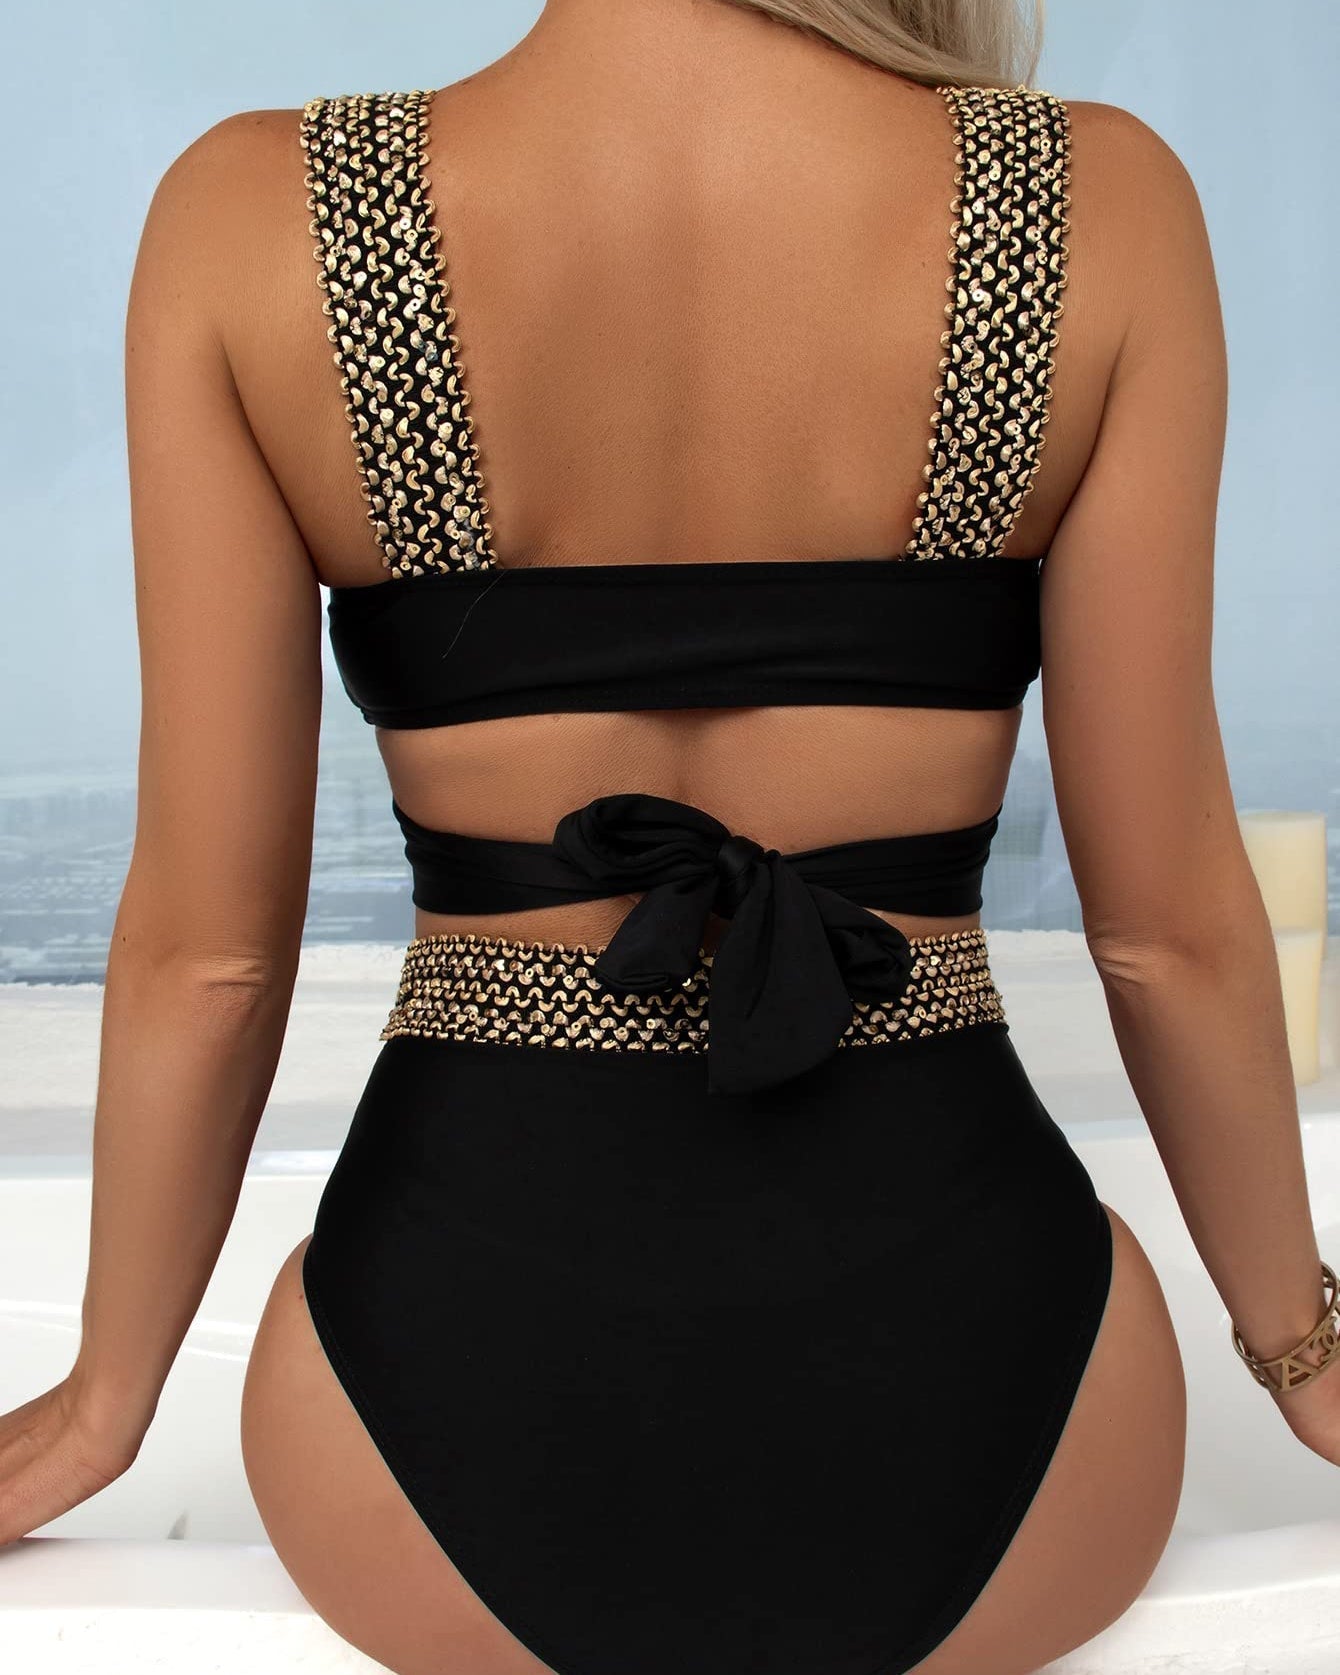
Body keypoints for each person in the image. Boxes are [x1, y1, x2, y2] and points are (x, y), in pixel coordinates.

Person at [2, 1, 1337, 1672]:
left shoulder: (259, 218)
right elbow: (1168, 936)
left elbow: (208, 957)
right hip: (1015, 1432)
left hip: (418, 1448)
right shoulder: (1090, 202)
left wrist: (103, 1407)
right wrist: (1307, 1359)